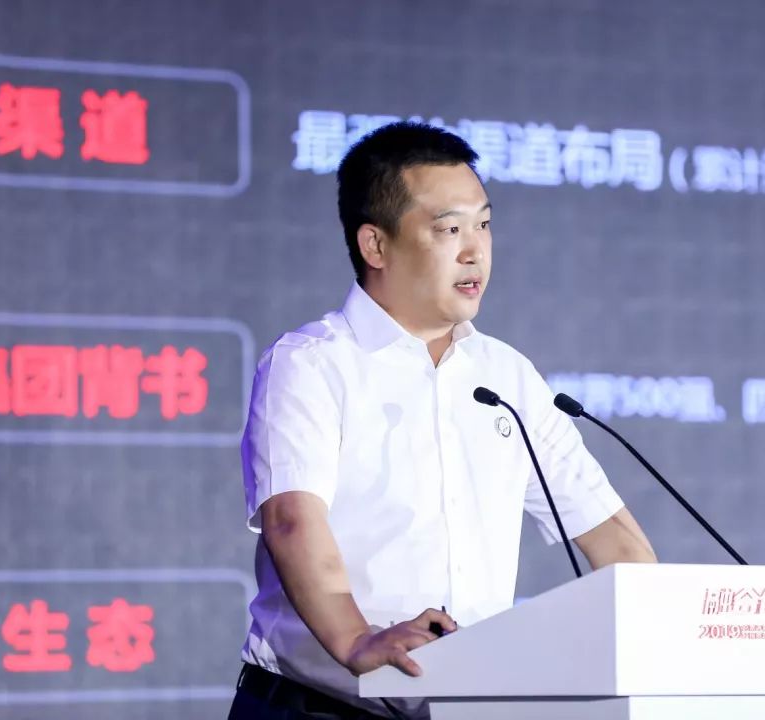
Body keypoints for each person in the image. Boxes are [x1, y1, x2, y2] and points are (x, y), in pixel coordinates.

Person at [228, 121, 657, 720]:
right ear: (376, 246)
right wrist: (356, 640)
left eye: (484, 225)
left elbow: (613, 538)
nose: (474, 250)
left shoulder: (506, 375)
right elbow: (292, 520)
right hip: (317, 709)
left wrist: (665, 641)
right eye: (449, 229)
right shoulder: (311, 364)